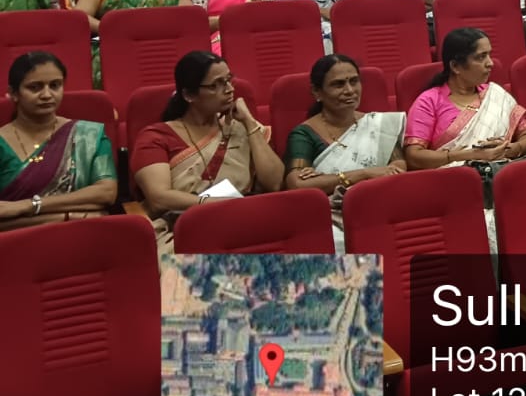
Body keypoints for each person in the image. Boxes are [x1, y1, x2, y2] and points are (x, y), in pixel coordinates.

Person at [130, 51, 284, 250]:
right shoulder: (156, 137)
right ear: (189, 95)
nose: (229, 89)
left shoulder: (241, 128)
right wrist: (217, 204)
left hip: (243, 223)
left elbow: (275, 183)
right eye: (216, 85)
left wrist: (248, 122)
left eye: (229, 80)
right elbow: (159, 198)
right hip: (182, 229)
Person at [283, 54, 405, 250]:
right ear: (317, 92)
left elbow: (398, 166)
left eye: (354, 81)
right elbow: (297, 184)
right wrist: (364, 174)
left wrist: (327, 179)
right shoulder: (304, 134)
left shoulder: (378, 124)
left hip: (383, 206)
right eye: (338, 84)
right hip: (332, 217)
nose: (349, 90)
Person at [0, 52, 117, 228]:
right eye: (35, 87)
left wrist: (28, 206)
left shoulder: (89, 135)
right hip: (16, 240)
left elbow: (106, 193)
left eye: (55, 85)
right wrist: (67, 216)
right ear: (13, 93)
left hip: (84, 234)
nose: (47, 94)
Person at [406, 29, 526, 182]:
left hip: (503, 176)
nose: (490, 63)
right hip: (452, 182)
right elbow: (413, 156)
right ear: (455, 66)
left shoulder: (496, 94)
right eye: (481, 57)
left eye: (489, 55)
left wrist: (512, 149)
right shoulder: (429, 101)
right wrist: (465, 155)